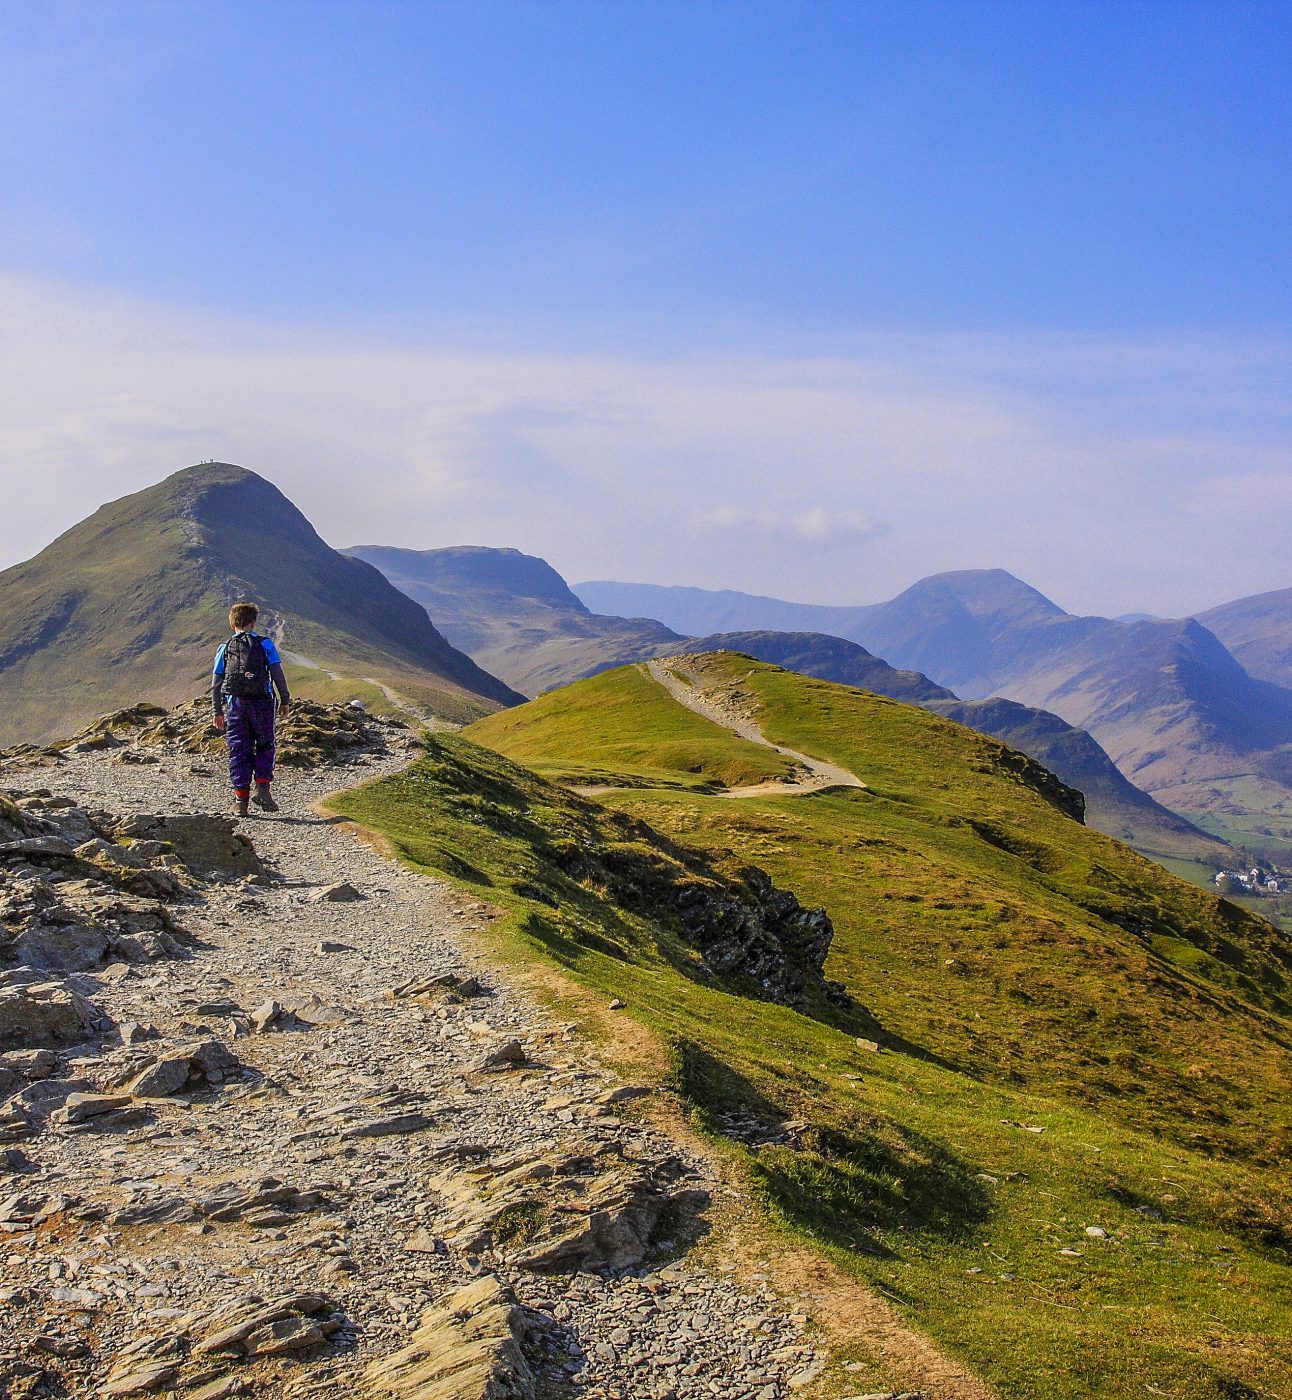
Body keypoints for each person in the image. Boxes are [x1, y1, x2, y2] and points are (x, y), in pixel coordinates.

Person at [212, 602, 291, 817]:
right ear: (253, 622)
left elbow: (217, 681)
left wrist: (217, 710)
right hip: (263, 702)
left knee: (239, 748)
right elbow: (277, 672)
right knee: (265, 744)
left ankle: (241, 801)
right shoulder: (265, 644)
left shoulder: (225, 647)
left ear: (232, 624)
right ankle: (263, 788)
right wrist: (285, 699)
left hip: (236, 704)